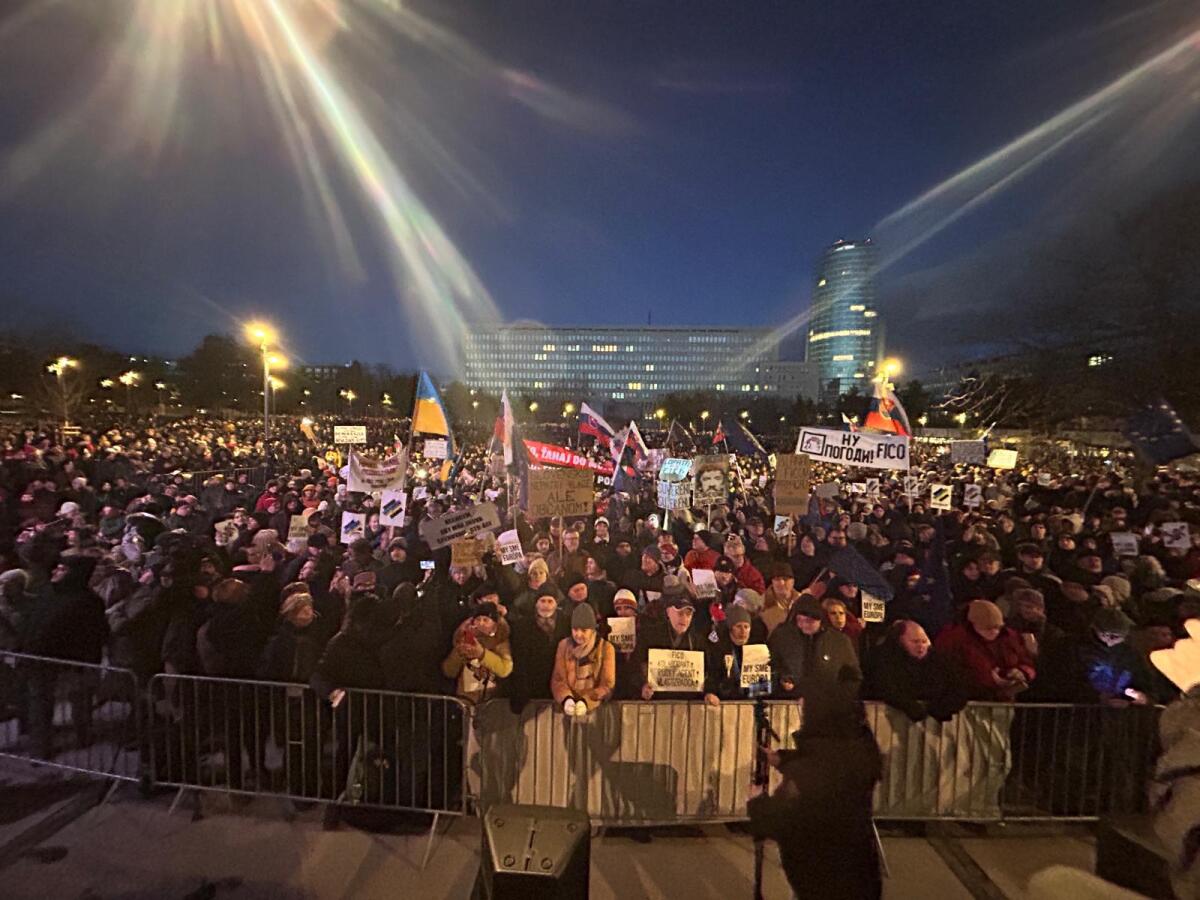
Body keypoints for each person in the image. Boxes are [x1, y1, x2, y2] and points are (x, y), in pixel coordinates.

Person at [747, 690, 883, 900]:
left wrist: (757, 803)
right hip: (860, 867)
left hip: (819, 872)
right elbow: (825, 761)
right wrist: (782, 759)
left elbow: (786, 818)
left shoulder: (813, 767)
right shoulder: (861, 748)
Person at [933, 600, 1036, 702]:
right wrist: (989, 680)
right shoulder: (953, 639)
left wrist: (1022, 672)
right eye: (987, 628)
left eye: (997, 627)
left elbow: (1026, 661)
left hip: (1003, 700)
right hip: (965, 701)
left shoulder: (1010, 637)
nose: (994, 632)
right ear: (972, 624)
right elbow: (947, 671)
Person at [865, 620, 967, 722]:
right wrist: (909, 706)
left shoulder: (937, 661)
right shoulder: (884, 659)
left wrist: (940, 708)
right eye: (915, 641)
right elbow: (885, 687)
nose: (921, 646)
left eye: (924, 641)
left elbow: (958, 688)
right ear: (900, 640)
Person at [768, 593, 861, 702]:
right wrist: (781, 679)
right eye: (800, 620)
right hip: (788, 701)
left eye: (809, 621)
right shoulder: (782, 637)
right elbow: (770, 664)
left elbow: (852, 675)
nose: (804, 625)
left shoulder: (839, 641)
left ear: (820, 620)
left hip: (829, 703)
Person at [551, 603, 616, 716]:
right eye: (575, 629)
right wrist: (566, 699)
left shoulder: (606, 648)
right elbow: (558, 679)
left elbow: (607, 685)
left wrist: (586, 701)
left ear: (592, 630)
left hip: (597, 712)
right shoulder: (564, 645)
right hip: (567, 710)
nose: (578, 634)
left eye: (584, 630)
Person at [441, 602, 512, 704]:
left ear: (495, 624)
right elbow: (449, 671)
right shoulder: (464, 639)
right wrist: (459, 652)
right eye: (478, 620)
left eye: (486, 620)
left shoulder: (500, 642)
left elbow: (505, 669)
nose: (481, 623)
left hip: (492, 701)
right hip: (466, 700)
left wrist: (482, 654)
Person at [507, 589, 569, 706]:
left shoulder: (566, 623)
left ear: (556, 604)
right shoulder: (522, 625)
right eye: (542, 601)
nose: (546, 605)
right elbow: (520, 659)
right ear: (536, 603)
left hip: (558, 682)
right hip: (532, 683)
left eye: (550, 601)